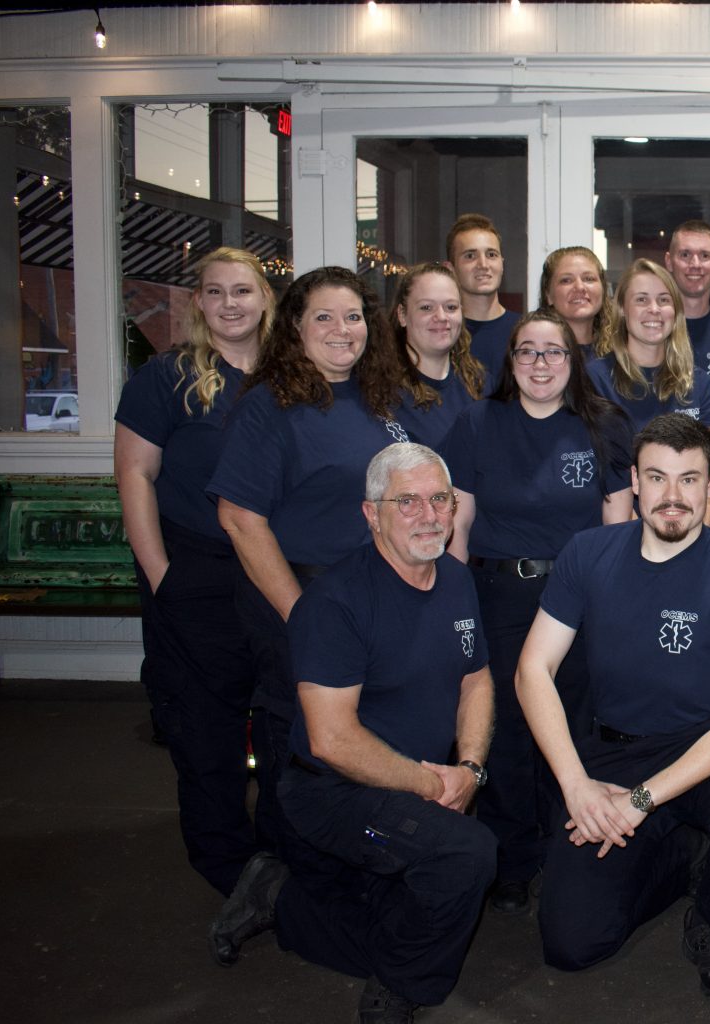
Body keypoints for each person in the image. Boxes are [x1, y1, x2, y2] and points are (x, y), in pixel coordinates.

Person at [515, 413, 710, 1003]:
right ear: (635, 484)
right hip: (612, 753)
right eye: (659, 478)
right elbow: (532, 671)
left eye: (690, 480)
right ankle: (677, 854)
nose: (674, 497)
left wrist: (643, 801)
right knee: (573, 945)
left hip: (706, 751)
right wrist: (578, 787)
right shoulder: (587, 553)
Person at [207, 443, 496, 1024]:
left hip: (417, 781)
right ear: (371, 514)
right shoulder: (335, 601)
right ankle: (392, 979)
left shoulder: (458, 581)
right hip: (333, 792)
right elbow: (331, 741)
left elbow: (477, 681)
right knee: (467, 855)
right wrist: (429, 785)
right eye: (406, 501)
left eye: (439, 498)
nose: (428, 514)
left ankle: (285, 895)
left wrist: (470, 768)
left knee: (415, 905)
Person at [209, 266, 409, 866]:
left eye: (353, 317)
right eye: (323, 316)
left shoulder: (379, 401)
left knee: (360, 744)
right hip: (302, 601)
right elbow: (240, 519)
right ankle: (284, 879)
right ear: (294, 327)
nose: (342, 330)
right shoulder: (270, 406)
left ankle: (349, 868)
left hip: (372, 605)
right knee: (300, 748)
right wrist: (301, 614)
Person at [440, 309, 635, 914]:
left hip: (575, 599)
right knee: (505, 728)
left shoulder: (602, 423)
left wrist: (611, 606)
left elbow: (618, 524)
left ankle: (567, 846)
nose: (541, 363)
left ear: (573, 361)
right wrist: (449, 600)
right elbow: (459, 521)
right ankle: (511, 859)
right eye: (528, 351)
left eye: (554, 352)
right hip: (497, 594)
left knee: (574, 725)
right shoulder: (476, 423)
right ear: (511, 362)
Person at [114, 246, 273, 896]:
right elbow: (134, 474)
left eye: (242, 291)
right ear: (197, 303)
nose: (230, 304)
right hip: (193, 569)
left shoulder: (288, 378)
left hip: (268, 569)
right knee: (206, 733)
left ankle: (282, 856)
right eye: (216, 292)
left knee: (278, 719)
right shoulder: (166, 376)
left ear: (265, 299)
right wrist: (162, 576)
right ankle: (228, 873)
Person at [587, 257, 710, 434]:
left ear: (675, 312)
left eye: (664, 300)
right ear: (622, 309)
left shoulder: (701, 385)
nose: (654, 309)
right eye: (641, 300)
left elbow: (705, 459)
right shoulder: (594, 380)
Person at [390, 262, 485, 449]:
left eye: (451, 307)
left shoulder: (481, 384)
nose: (441, 317)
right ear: (402, 315)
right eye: (426, 308)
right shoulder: (382, 393)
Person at [445, 213, 518, 387]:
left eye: (491, 254)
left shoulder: (524, 332)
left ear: (502, 264)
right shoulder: (442, 333)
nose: (483, 265)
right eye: (470, 256)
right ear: (450, 269)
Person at [664, 219, 710, 385]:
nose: (695, 264)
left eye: (705, 256)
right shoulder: (654, 327)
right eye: (685, 255)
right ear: (669, 261)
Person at [539, 246, 617, 360]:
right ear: (548, 295)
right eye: (566, 280)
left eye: (589, 279)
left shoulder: (621, 354)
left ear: (603, 290)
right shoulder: (536, 355)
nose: (580, 287)